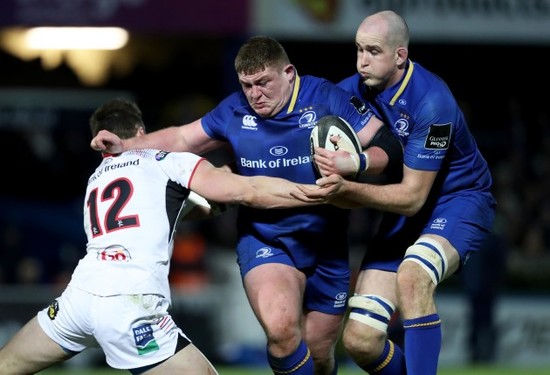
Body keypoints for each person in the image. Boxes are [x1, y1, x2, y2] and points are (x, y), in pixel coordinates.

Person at [90, 36, 402, 375]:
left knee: (320, 351)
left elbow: (387, 145)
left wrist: (356, 163)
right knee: (282, 333)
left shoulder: (326, 97)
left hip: (326, 242)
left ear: (289, 73)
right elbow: (182, 138)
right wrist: (128, 144)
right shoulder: (235, 109)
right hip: (265, 238)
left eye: (263, 82)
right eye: (247, 85)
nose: (255, 94)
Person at [0, 98, 329, 375]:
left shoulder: (97, 178)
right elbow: (249, 190)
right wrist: (315, 192)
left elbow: (157, 213)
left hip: (78, 300)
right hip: (130, 305)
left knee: (6, 364)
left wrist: (210, 204)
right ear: (141, 131)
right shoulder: (167, 162)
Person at [296, 10, 497, 375]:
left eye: (373, 51)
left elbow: (412, 198)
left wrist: (347, 187)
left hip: (458, 201)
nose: (361, 61)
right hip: (405, 211)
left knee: (412, 277)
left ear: (400, 56)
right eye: (358, 49)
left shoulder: (433, 104)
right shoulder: (352, 90)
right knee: (360, 340)